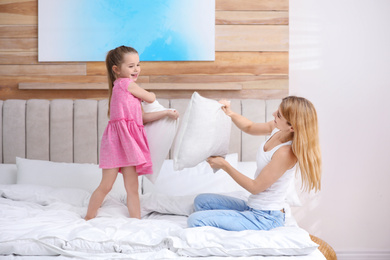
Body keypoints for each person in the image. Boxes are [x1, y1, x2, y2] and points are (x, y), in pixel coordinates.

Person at [187, 96, 321, 231]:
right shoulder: (277, 129)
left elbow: (255, 187)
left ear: (291, 127)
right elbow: (250, 127)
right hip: (253, 206)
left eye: (279, 115)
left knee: (195, 220)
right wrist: (230, 113)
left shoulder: (286, 153)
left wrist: (224, 165)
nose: (274, 114)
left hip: (265, 218)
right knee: (201, 201)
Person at [85, 46, 179, 220]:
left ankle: (136, 222)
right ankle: (87, 218)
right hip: (117, 142)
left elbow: (141, 118)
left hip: (130, 142)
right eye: (131, 66)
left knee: (131, 188)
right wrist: (152, 93)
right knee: (107, 186)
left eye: (138, 64)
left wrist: (166, 113)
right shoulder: (126, 84)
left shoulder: (127, 90)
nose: (136, 69)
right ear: (116, 70)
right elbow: (151, 98)